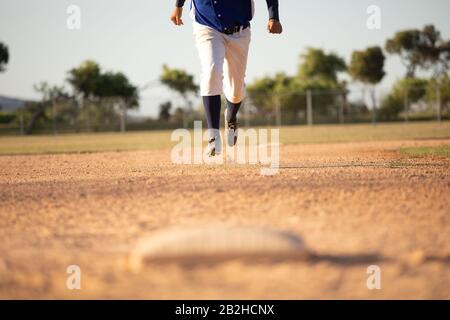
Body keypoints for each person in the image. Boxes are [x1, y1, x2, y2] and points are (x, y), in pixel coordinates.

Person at [170, 0, 283, 156]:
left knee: (236, 90)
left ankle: (231, 116)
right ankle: (213, 137)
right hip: (207, 25)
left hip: (240, 30)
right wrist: (178, 6)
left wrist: (273, 17)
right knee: (211, 72)